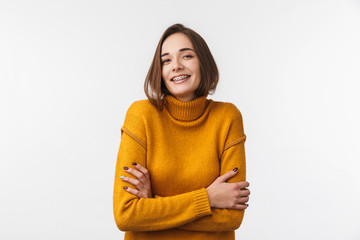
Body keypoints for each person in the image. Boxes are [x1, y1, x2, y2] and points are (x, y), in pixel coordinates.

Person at [113, 23, 250, 240]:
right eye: (166, 60)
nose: (175, 66)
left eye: (186, 56)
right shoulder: (141, 116)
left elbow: (231, 218)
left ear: (203, 62)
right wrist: (207, 198)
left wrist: (153, 206)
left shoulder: (227, 117)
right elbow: (126, 214)